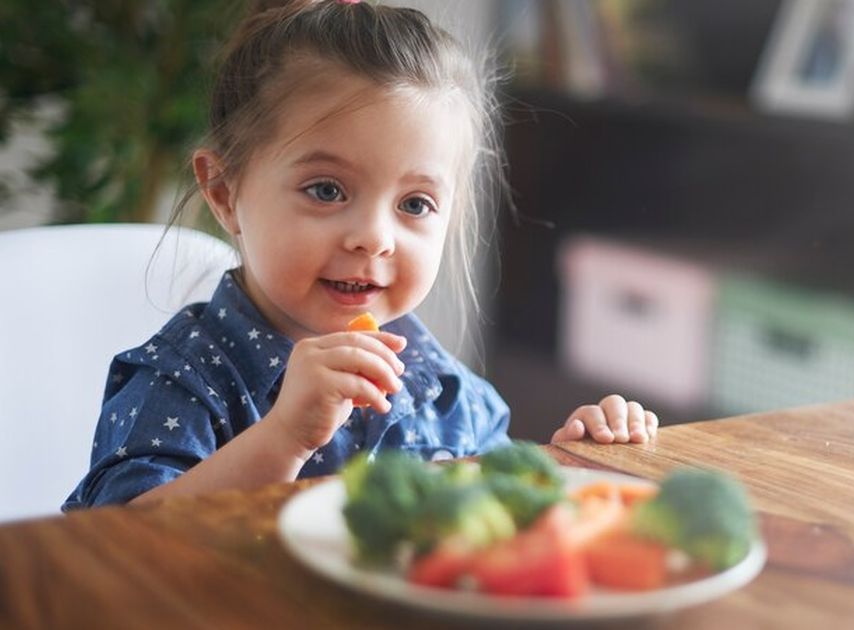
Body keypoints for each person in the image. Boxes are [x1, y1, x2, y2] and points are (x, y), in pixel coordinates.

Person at [64, 0, 657, 510]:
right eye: (327, 190)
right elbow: (111, 545)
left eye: (416, 204)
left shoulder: (445, 390)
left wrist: (574, 466)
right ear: (225, 193)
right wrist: (284, 438)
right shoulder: (185, 379)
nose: (374, 238)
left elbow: (491, 531)